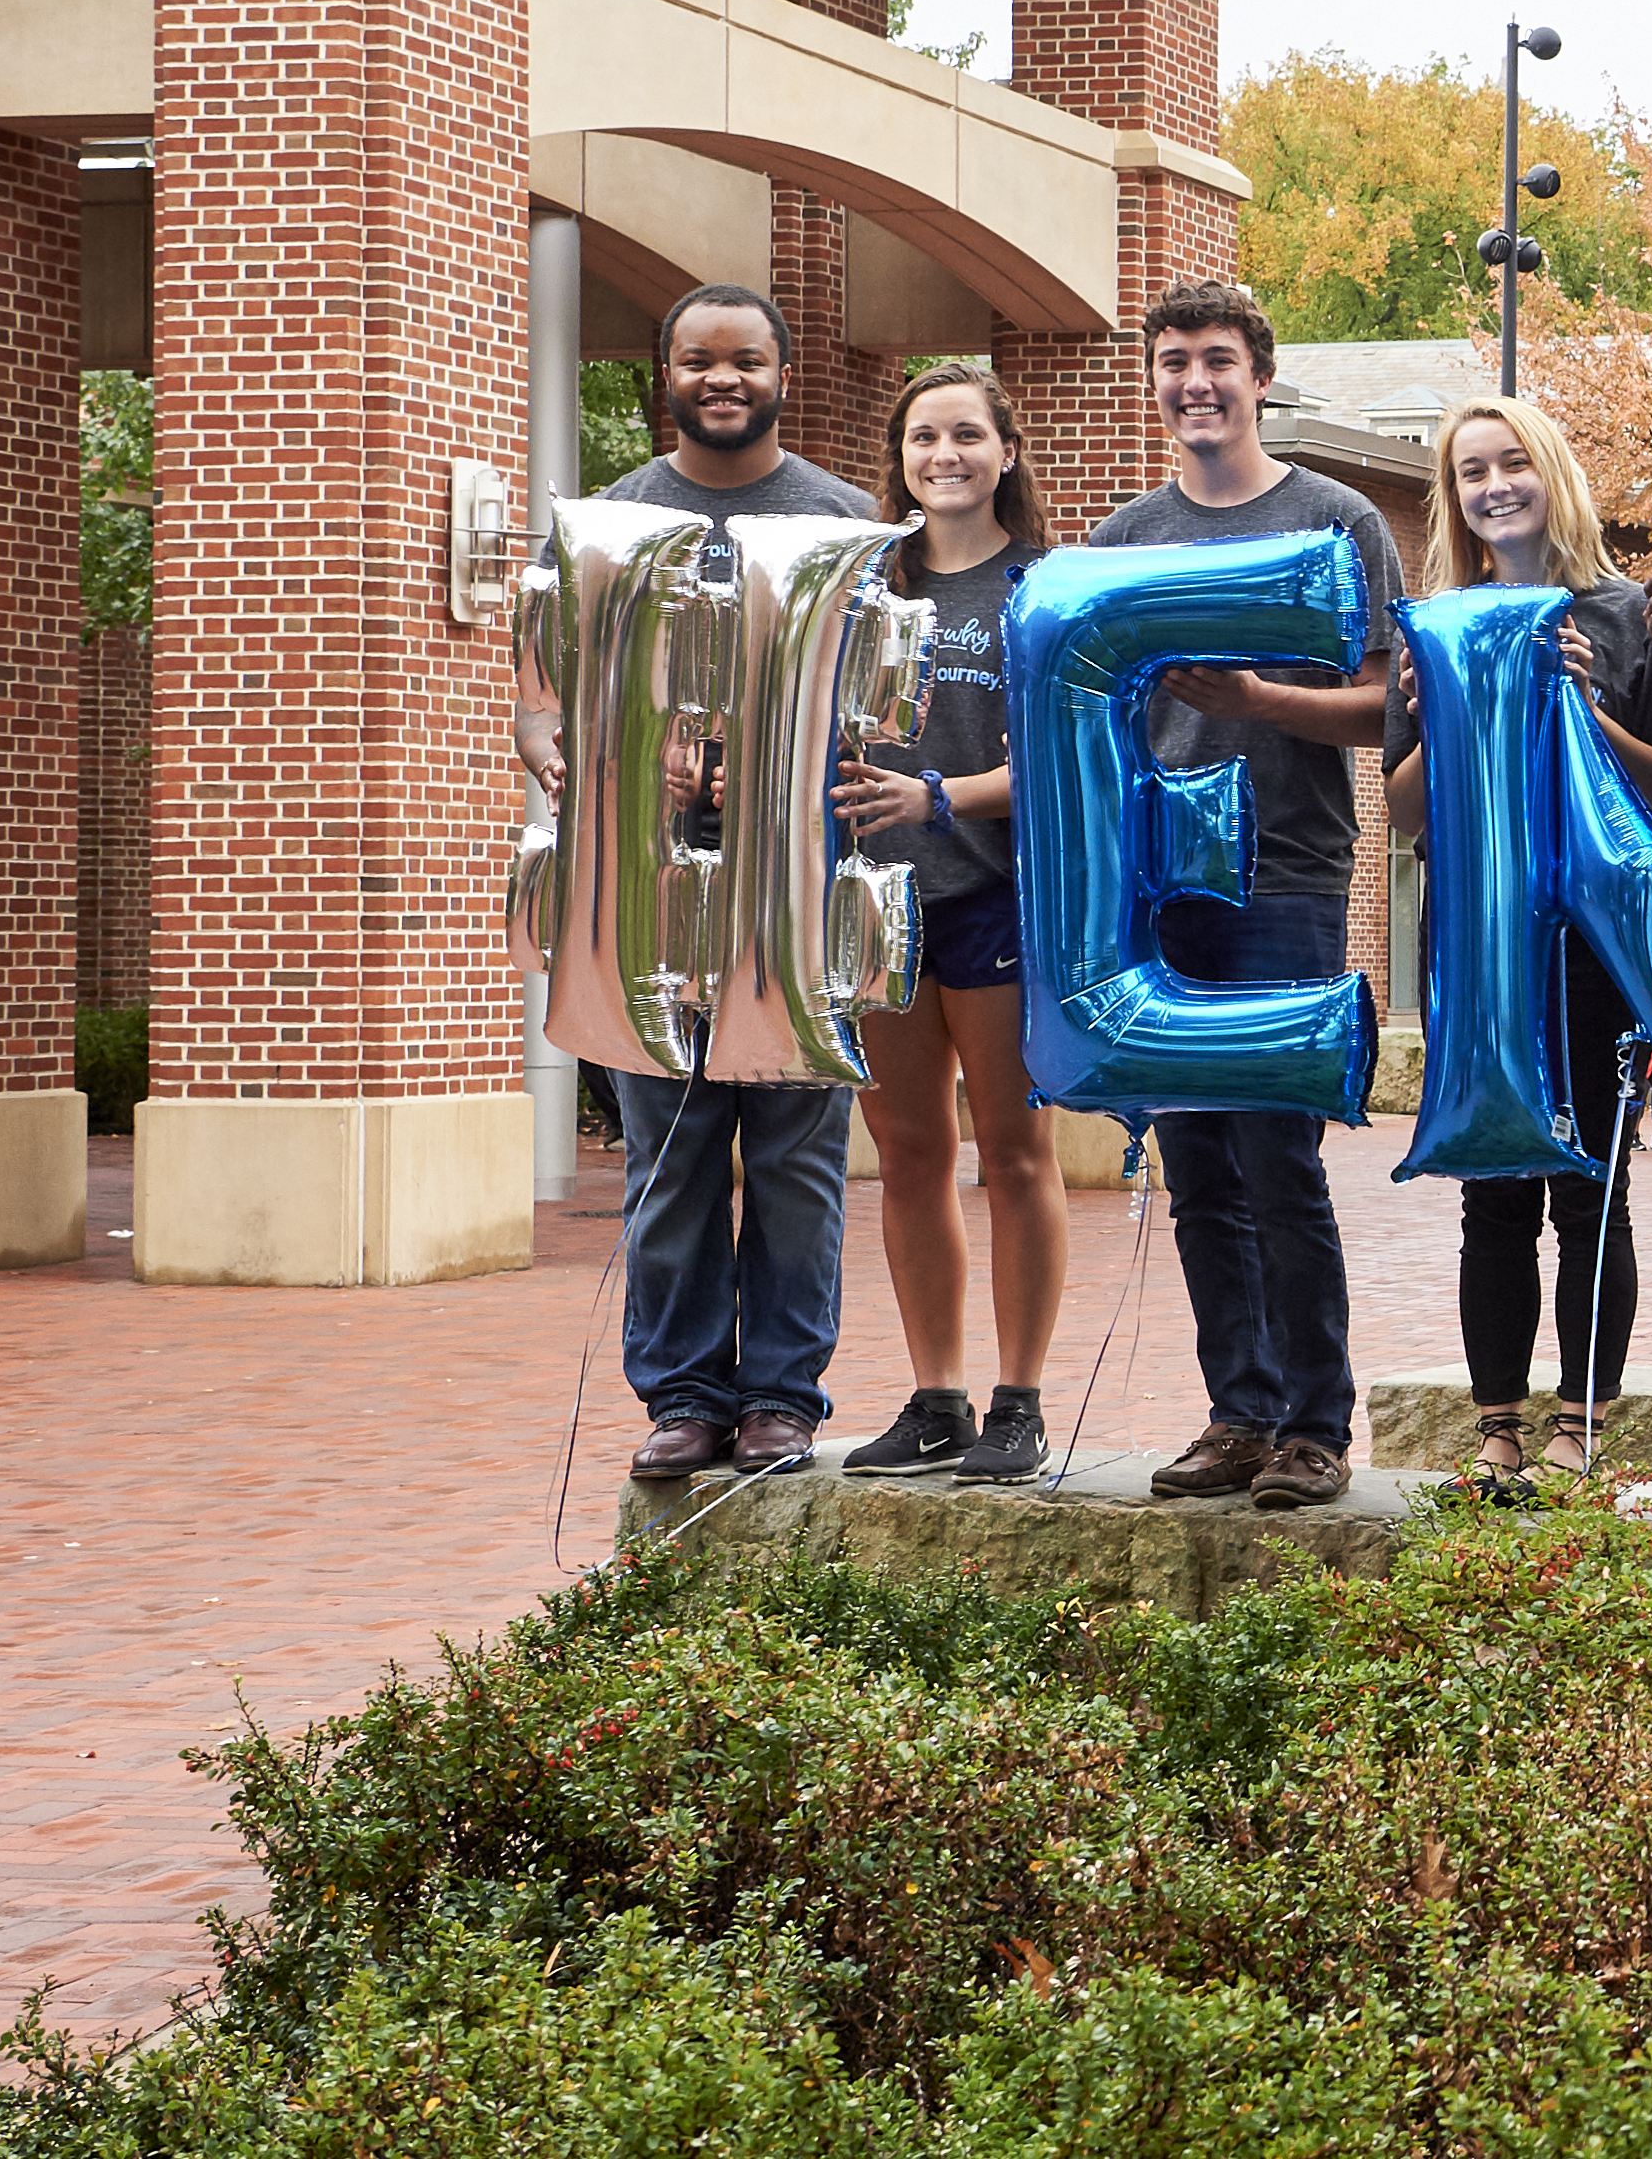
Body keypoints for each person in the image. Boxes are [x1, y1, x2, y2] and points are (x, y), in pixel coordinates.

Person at [527, 283, 877, 1485]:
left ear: (782, 373)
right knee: (671, 1155)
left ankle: (782, 1395)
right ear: (664, 372)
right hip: (648, 884)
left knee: (791, 1152)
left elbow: (883, 693)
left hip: (792, 884)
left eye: (744, 359)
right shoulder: (608, 518)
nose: (721, 378)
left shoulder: (843, 517)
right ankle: (681, 1395)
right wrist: (565, 743)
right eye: (696, 359)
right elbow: (544, 687)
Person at [1096, 282, 1408, 1516]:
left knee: (1278, 1154)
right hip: (1159, 879)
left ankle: (1314, 1422)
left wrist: (1260, 702)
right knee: (1197, 1161)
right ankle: (1238, 1407)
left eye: (1216, 360)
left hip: (1286, 862)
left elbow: (1391, 699)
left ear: (1260, 375)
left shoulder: (1334, 522)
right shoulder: (1126, 537)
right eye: (1174, 363)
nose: (1195, 384)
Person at [1387, 393, 1652, 1504]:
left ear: (1551, 469)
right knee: (1492, 1190)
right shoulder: (1438, 620)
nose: (1495, 484)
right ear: (1453, 498)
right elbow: (1407, 809)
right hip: (1479, 941)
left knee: (1593, 1188)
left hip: (1591, 946)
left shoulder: (1618, 610)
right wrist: (1440, 707)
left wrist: (1582, 698)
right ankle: (1496, 1427)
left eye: (1513, 463)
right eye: (1471, 472)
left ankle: (1579, 1426)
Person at [823, 365, 1064, 1487]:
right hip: (880, 903)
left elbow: (1073, 759)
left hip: (996, 897)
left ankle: (1018, 1402)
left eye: (967, 433)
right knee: (911, 1154)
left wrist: (942, 796)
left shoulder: (1044, 587)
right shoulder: (866, 578)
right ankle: (936, 1397)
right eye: (924, 436)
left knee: (1015, 1155)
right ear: (902, 456)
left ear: (1006, 451)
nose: (945, 454)